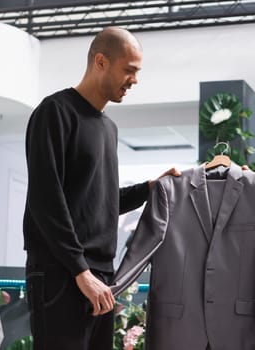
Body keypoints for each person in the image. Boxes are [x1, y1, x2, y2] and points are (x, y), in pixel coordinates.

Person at [23, 27, 180, 350]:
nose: (134, 80)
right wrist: (80, 271)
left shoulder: (108, 128)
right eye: (129, 70)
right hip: (61, 274)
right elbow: (45, 201)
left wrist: (150, 188)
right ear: (100, 61)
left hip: (101, 277)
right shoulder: (54, 113)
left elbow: (101, 202)